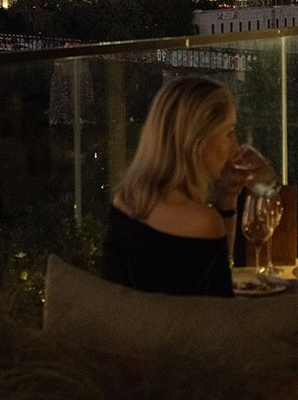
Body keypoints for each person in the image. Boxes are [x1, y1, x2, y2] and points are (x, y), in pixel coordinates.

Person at [101, 76, 270, 296]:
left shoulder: (125, 200)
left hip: (128, 330)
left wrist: (227, 197)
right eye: (229, 133)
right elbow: (220, 308)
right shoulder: (202, 221)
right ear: (197, 141)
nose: (235, 146)